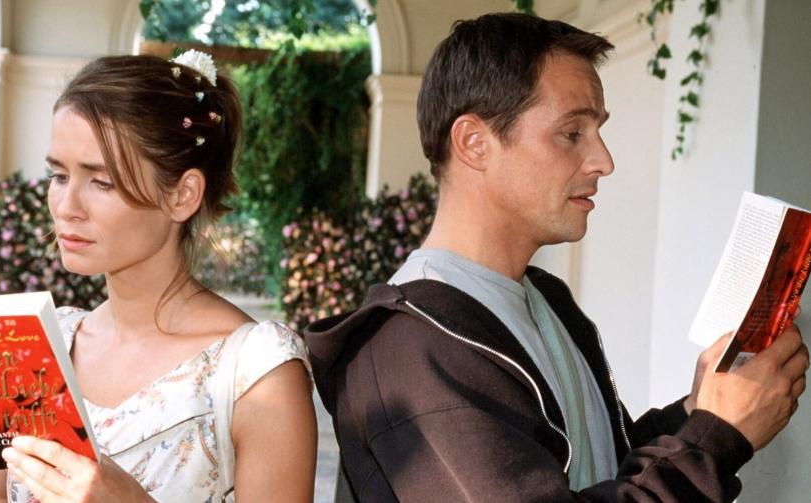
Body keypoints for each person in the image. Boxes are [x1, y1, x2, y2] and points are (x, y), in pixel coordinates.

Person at [304, 13, 809, 502]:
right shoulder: (413, 344)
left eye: (598, 131)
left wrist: (699, 411)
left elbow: (604, 469)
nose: (604, 161)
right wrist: (716, 438)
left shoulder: (545, 299)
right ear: (474, 143)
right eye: (572, 133)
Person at [0, 52, 317, 502]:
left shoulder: (256, 373)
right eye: (58, 175)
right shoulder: (42, 347)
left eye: (101, 182)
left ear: (182, 195)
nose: (66, 207)